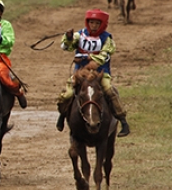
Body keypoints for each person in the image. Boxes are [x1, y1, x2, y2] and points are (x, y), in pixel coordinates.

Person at [55, 9, 130, 137]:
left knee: (109, 90)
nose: (93, 26)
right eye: (91, 23)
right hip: (80, 73)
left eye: (97, 23)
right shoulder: (79, 35)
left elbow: (104, 56)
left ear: (103, 25)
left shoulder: (107, 39)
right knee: (68, 93)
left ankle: (123, 121)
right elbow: (65, 47)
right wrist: (68, 38)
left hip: (100, 73)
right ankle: (62, 115)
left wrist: (88, 59)